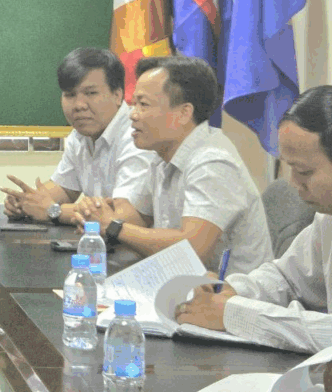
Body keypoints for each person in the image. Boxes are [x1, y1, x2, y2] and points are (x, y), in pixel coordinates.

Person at [75, 55, 272, 275]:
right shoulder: (162, 155)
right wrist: (95, 214)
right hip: (178, 282)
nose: (132, 115)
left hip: (225, 291)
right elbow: (134, 218)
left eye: (143, 104)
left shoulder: (212, 161)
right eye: (133, 104)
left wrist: (112, 227)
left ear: (183, 113)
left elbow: (192, 249)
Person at [175, 86, 332, 353]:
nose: (293, 183)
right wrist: (232, 290)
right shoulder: (326, 217)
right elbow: (287, 278)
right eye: (289, 167)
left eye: (304, 171)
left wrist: (233, 313)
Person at [1, 47, 155, 226]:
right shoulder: (79, 136)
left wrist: (53, 211)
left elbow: (126, 218)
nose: (79, 105)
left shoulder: (137, 135)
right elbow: (64, 188)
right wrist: (26, 202)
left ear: (117, 95)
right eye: (70, 95)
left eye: (91, 93)